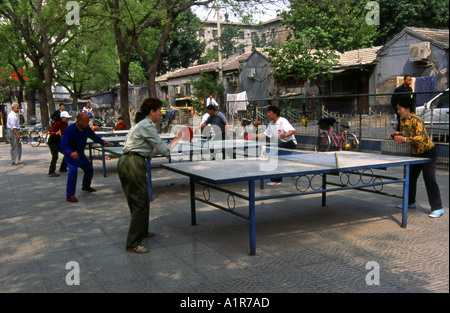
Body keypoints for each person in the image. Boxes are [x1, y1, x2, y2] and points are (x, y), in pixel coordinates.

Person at [117, 98, 182, 254]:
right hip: (133, 162)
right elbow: (165, 151)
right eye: (159, 110)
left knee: (140, 199)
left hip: (130, 160)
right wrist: (177, 139)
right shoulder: (147, 125)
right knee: (139, 201)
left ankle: (142, 231)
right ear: (151, 112)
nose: (161, 113)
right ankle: (132, 243)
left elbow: (151, 150)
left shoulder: (142, 125)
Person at [391, 97, 444, 218]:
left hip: (428, 152)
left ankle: (438, 207)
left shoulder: (417, 120)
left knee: (429, 179)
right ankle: (410, 202)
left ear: (407, 109)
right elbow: (408, 134)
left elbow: (421, 138)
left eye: (400, 109)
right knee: (410, 178)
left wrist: (404, 139)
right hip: (415, 153)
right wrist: (398, 135)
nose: (398, 111)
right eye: (397, 109)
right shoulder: (403, 121)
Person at [60, 112, 111, 202]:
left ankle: (86, 186)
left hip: (80, 154)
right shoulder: (70, 129)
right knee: (73, 171)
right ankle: (70, 195)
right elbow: (63, 145)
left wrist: (102, 142)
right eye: (86, 121)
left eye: (88, 121)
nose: (88, 123)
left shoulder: (86, 128)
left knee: (89, 169)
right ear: (79, 121)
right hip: (71, 155)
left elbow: (94, 136)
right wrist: (70, 153)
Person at [246, 105, 297, 185]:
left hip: (290, 143)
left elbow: (293, 131)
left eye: (269, 112)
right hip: (282, 144)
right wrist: (253, 135)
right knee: (273, 156)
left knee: (276, 159)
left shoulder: (283, 121)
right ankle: (290, 170)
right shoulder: (271, 123)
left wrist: (285, 135)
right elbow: (265, 134)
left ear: (275, 114)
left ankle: (276, 180)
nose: (268, 114)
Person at [47, 111, 70, 177]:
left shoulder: (66, 124)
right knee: (55, 156)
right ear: (62, 118)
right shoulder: (57, 123)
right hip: (52, 142)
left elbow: (65, 133)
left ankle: (63, 168)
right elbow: (51, 132)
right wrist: (56, 133)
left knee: (66, 153)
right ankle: (51, 172)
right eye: (66, 118)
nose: (67, 119)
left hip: (59, 141)